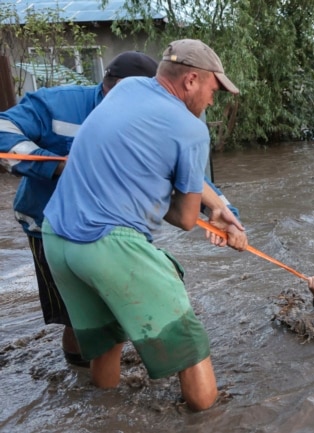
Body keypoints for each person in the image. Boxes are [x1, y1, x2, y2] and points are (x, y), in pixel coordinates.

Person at [41, 38, 248, 412]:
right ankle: (211, 419)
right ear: (190, 81)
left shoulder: (128, 88)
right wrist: (207, 213)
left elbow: (135, 156)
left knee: (108, 343)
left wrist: (217, 208)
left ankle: (109, 417)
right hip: (109, 245)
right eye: (213, 89)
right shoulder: (191, 129)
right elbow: (184, 219)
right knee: (189, 345)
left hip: (56, 238)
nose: (213, 100)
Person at [0, 51, 159, 367]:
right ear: (110, 88)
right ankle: (80, 376)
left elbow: (180, 177)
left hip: (113, 228)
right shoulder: (58, 104)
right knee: (76, 313)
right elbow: (3, 129)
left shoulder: (149, 117)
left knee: (121, 303)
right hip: (48, 225)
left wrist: (221, 211)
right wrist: (58, 166)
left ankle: (99, 372)